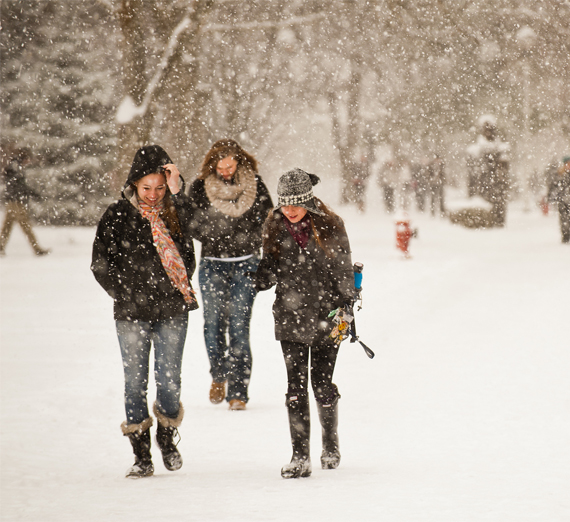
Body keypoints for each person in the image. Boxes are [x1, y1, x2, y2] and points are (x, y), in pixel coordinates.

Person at [91, 145, 199, 478]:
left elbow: (198, 235)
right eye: (146, 188)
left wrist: (179, 194)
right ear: (134, 186)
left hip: (172, 310)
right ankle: (141, 454)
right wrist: (122, 292)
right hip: (130, 313)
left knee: (169, 382)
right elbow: (99, 262)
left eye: (159, 188)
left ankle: (166, 437)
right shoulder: (117, 215)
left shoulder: (175, 213)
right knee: (134, 383)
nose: (153, 195)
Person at [252, 168, 355, 479]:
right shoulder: (274, 225)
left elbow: (344, 270)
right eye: (285, 203)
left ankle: (331, 444)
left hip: (327, 315)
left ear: (308, 200)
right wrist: (259, 277)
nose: (291, 209)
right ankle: (300, 456)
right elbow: (269, 269)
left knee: (322, 385)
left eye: (297, 203)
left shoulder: (330, 225)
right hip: (291, 315)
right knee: (295, 388)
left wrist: (347, 309)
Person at [186, 139, 273, 411]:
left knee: (238, 327)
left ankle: (238, 392)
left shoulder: (255, 184)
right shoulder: (200, 188)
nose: (225, 171)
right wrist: (214, 234)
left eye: (230, 165)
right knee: (212, 326)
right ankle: (218, 374)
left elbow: (268, 219)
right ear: (213, 164)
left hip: (246, 264)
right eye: (220, 166)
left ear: (239, 161)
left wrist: (250, 240)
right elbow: (190, 222)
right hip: (213, 263)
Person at [0, 149, 50, 256]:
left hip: (11, 201)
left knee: (7, 226)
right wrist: (33, 194)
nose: (29, 162)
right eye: (28, 159)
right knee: (25, 225)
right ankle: (36, 248)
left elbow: (17, 185)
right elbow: (20, 186)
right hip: (16, 202)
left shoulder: (14, 167)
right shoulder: (15, 168)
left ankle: (0, 247)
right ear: (24, 158)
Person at [547, 156, 570, 243]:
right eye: (568, 164)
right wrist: (551, 197)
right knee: (564, 219)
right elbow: (553, 187)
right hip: (563, 201)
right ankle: (565, 236)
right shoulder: (560, 175)